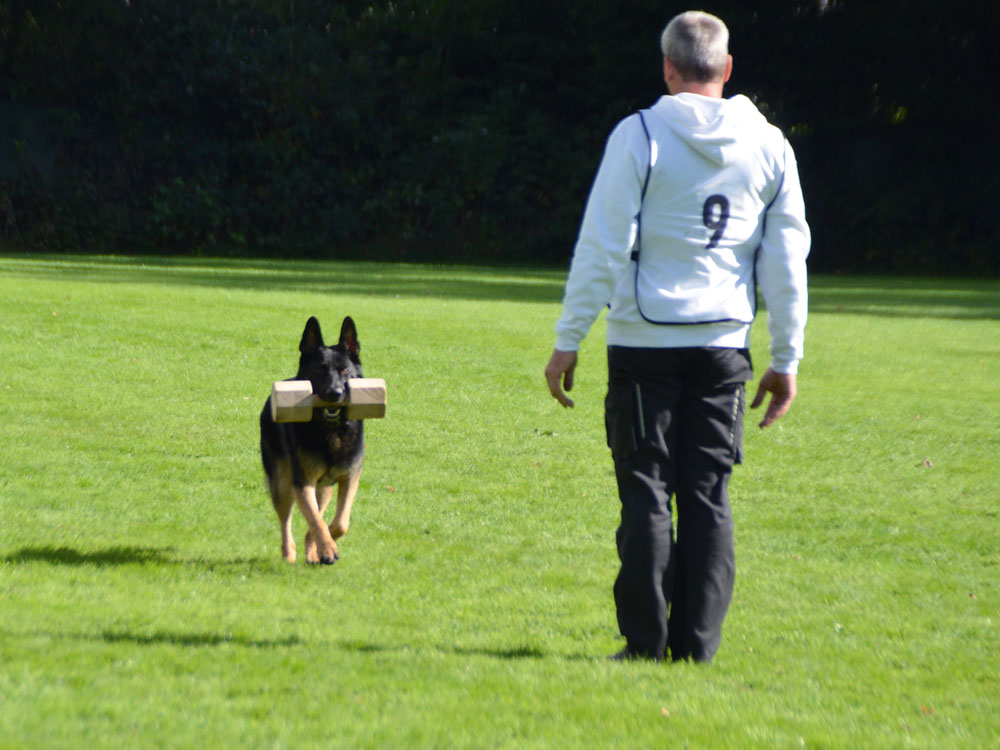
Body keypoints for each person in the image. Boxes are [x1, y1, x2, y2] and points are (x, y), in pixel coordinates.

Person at [544, 10, 809, 663]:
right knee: (707, 494)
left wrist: (569, 338)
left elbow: (603, 244)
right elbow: (786, 259)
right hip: (724, 346)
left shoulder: (638, 135)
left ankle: (644, 643)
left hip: (644, 344)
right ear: (726, 68)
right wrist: (786, 356)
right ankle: (695, 647)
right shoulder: (771, 144)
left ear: (667, 67)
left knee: (646, 491)